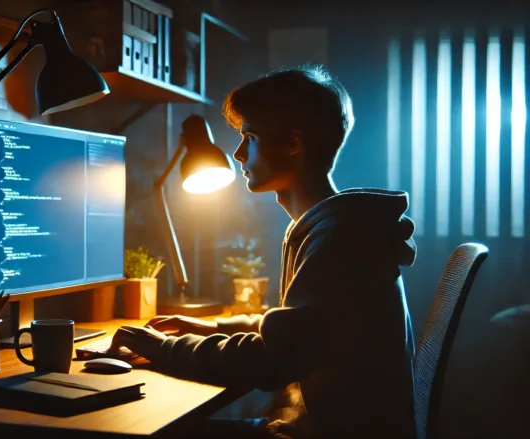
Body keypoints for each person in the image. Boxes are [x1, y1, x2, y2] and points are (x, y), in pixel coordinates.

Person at [111, 65, 417, 439]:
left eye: (250, 137)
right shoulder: (329, 227)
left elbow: (275, 360)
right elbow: (299, 333)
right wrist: (209, 327)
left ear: (293, 144)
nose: (239, 154)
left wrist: (167, 349)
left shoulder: (338, 240)